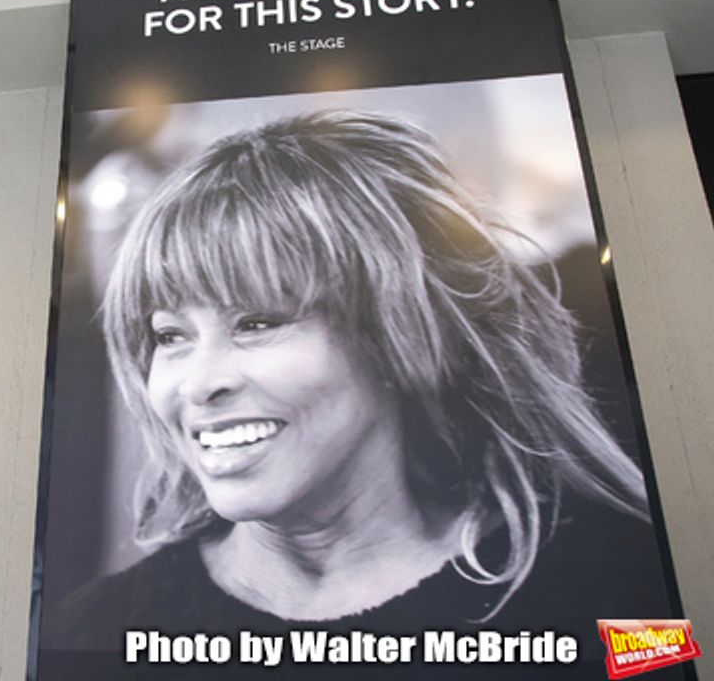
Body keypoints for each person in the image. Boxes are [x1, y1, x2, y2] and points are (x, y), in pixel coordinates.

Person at [46, 111, 676, 678]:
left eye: (258, 323)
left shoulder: (621, 582)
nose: (201, 383)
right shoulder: (97, 633)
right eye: (171, 336)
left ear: (397, 331)